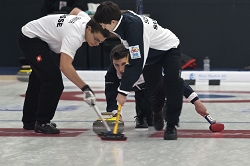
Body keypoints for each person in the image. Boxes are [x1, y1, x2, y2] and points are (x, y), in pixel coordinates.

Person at [94, 1, 184, 140]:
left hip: (168, 49)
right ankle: (158, 111)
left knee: (172, 82)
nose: (102, 27)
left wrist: (123, 91)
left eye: (103, 24)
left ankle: (171, 126)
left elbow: (136, 63)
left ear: (112, 21)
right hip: (150, 55)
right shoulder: (121, 24)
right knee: (153, 92)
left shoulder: (133, 28)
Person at [17, 7, 110, 134]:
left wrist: (61, 27)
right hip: (30, 39)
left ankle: (30, 121)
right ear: (89, 29)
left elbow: (75, 10)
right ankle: (43, 121)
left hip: (38, 39)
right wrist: (85, 88)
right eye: (96, 39)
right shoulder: (74, 36)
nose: (97, 44)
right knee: (53, 81)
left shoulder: (87, 20)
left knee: (39, 79)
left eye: (101, 42)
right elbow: (65, 67)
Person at [106, 44, 208, 130]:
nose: (121, 69)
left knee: (152, 118)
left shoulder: (148, 65)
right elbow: (111, 97)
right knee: (144, 117)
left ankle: (159, 109)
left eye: (124, 64)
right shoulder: (111, 74)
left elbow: (174, 82)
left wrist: (196, 102)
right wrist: (116, 116)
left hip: (151, 87)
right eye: (116, 65)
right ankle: (142, 116)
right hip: (138, 89)